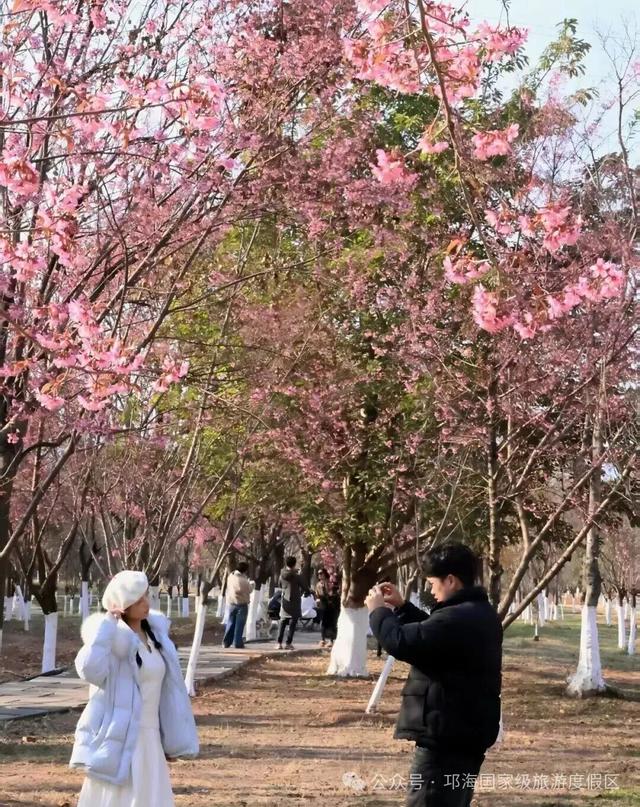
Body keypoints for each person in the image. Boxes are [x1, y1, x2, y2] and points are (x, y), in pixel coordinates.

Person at [365, 543, 502, 807]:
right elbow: (432, 636)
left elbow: (402, 642)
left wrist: (378, 611)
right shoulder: (479, 613)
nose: (430, 589)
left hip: (445, 742)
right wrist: (403, 607)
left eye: (432, 582)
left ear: (450, 580)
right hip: (465, 736)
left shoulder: (456, 619)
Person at [70, 570, 198, 807]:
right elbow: (89, 669)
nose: (146, 603)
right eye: (139, 599)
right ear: (124, 604)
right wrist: (107, 626)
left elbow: (169, 693)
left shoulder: (157, 638)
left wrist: (169, 736)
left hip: (151, 736)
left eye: (146, 597)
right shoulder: (114, 641)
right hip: (120, 733)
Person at [276, 556, 309, 650]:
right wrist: (307, 591)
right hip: (295, 601)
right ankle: (288, 643)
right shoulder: (297, 576)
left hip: (285, 600)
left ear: (286, 564)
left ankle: (279, 643)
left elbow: (279, 585)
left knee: (282, 622)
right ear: (294, 564)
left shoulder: (281, 574)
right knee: (292, 623)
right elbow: (305, 587)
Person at [223, 561, 253, 649]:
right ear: (245, 570)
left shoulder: (231, 576)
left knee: (230, 623)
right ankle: (238, 643)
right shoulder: (243, 580)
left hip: (231, 604)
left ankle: (226, 642)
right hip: (241, 605)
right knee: (239, 625)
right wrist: (252, 584)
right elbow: (249, 589)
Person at [315, 570, 339, 647]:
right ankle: (323, 640)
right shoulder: (318, 585)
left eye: (321, 573)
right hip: (323, 605)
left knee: (332, 623)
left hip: (331, 605)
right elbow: (317, 595)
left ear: (325, 574)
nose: (319, 575)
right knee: (323, 623)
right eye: (318, 574)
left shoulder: (330, 583)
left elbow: (333, 593)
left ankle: (331, 640)